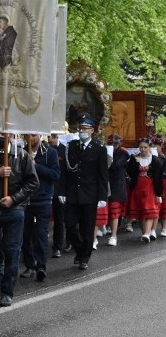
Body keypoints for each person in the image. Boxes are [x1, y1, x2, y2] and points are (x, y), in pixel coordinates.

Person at [0, 131, 39, 307]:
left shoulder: (22, 155)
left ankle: (7, 292)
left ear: (10, 134)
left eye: (3, 133)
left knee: (12, 251)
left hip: (14, 210)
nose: (0, 136)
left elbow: (33, 182)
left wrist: (14, 199)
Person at [60, 114, 108, 270]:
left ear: (92, 131)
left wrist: (102, 196)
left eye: (85, 128)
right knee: (70, 224)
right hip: (72, 193)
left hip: (90, 194)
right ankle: (80, 249)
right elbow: (65, 172)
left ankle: (84, 257)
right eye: (80, 128)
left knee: (87, 228)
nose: (81, 131)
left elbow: (102, 175)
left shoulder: (99, 149)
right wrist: (61, 191)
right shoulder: (71, 146)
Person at [20, 134, 60, 282]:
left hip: (43, 199)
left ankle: (41, 266)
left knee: (41, 234)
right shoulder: (22, 152)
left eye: (34, 135)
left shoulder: (50, 152)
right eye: (28, 135)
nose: (31, 138)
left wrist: (35, 165)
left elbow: (55, 174)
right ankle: (30, 265)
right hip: (26, 199)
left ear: (39, 135)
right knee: (25, 234)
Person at [125, 138, 163, 243]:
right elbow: (130, 173)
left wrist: (159, 193)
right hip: (137, 186)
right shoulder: (134, 159)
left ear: (149, 148)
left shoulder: (155, 160)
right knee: (141, 211)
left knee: (149, 209)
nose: (143, 149)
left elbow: (158, 178)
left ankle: (147, 233)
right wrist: (136, 164)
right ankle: (145, 233)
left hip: (150, 187)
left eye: (145, 147)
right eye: (141, 147)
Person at [105, 134, 130, 246]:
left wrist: (109, 156)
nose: (113, 146)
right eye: (110, 144)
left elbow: (115, 165)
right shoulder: (103, 151)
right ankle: (103, 228)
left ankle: (113, 235)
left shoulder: (123, 153)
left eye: (115, 144)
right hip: (105, 183)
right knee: (103, 209)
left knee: (114, 210)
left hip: (116, 184)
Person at [48, 133, 69, 257]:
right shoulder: (45, 149)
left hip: (59, 190)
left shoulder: (64, 150)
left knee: (59, 219)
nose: (49, 139)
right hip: (46, 189)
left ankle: (57, 246)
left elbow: (66, 173)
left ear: (56, 137)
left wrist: (64, 191)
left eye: (51, 137)